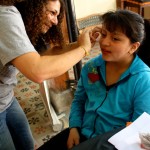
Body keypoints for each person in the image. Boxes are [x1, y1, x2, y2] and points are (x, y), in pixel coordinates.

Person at [37, 9, 150, 150]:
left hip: (111, 143)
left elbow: (137, 130)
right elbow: (79, 100)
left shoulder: (143, 80)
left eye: (115, 38)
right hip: (82, 131)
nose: (104, 42)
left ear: (133, 47)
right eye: (103, 34)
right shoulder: (92, 67)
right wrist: (74, 127)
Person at [0, 0, 92, 149]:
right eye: (52, 13)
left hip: (7, 97)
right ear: (34, 5)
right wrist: (84, 49)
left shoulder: (24, 21)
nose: (56, 21)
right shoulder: (5, 16)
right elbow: (38, 71)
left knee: (27, 144)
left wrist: (78, 45)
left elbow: (45, 54)